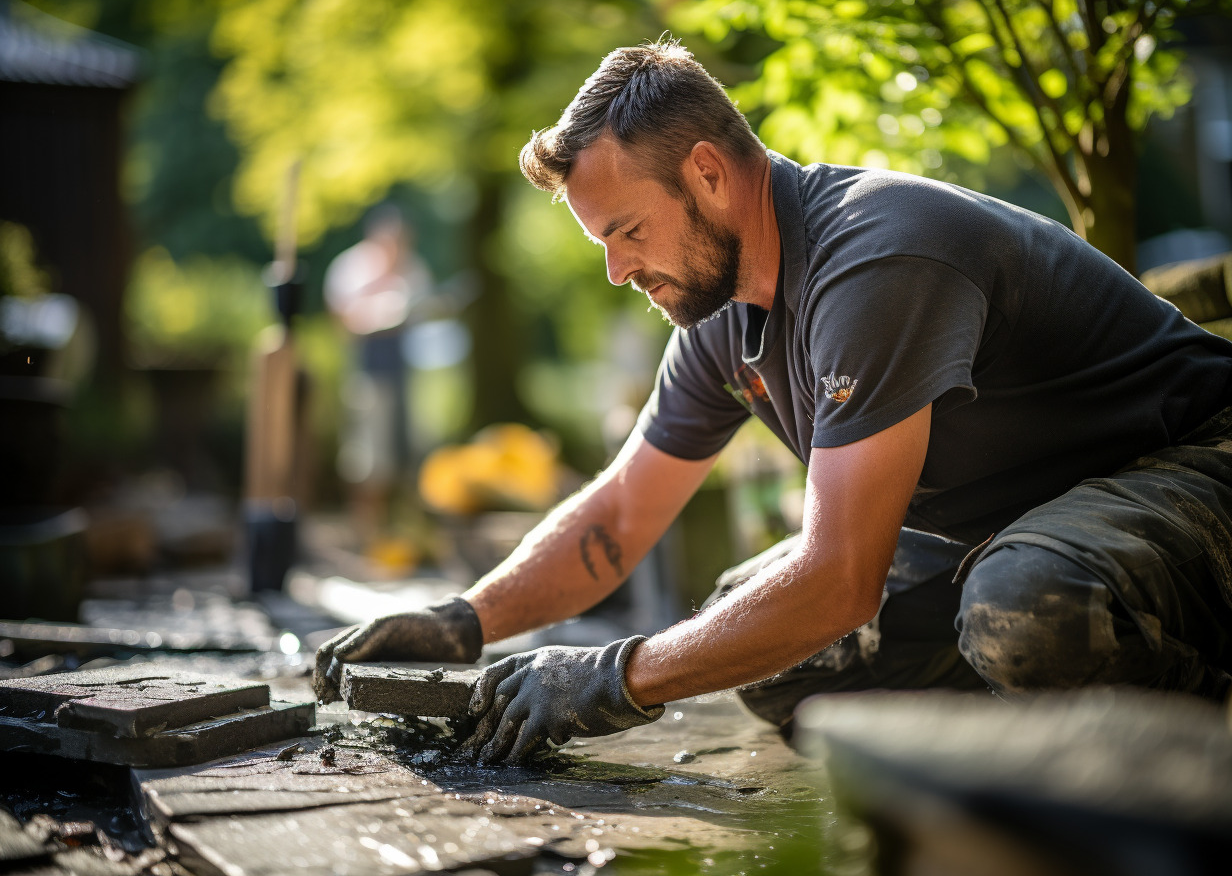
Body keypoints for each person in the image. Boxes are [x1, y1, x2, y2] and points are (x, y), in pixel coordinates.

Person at [314, 40, 1232, 764]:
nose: (616, 268)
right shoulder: (718, 308)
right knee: (770, 647)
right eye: (602, 243)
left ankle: (1166, 755)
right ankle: (1030, 699)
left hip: (1186, 462)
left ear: (709, 174)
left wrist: (613, 677)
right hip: (1028, 515)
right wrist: (460, 622)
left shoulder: (876, 258)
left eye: (627, 231)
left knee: (1027, 606)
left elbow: (841, 578)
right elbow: (626, 510)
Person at [324, 205, 432, 545]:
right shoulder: (352, 266)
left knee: (405, 451)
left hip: (404, 369)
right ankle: (364, 531)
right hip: (367, 370)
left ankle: (397, 532)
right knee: (367, 455)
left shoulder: (414, 269)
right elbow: (341, 318)